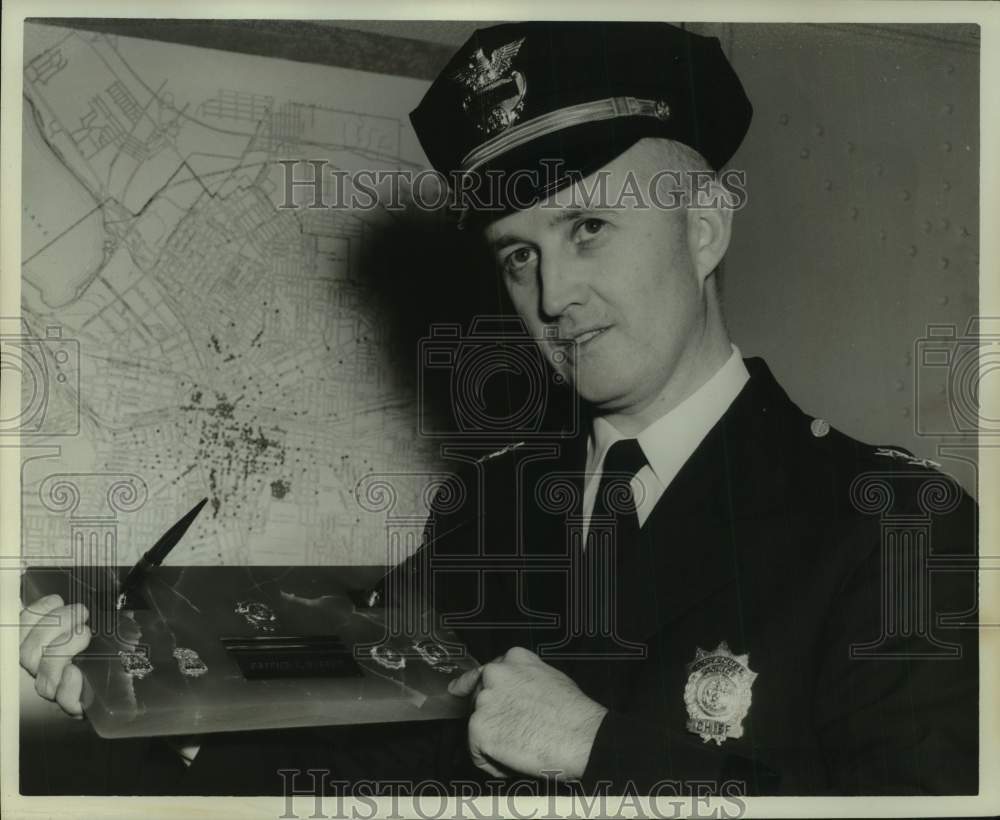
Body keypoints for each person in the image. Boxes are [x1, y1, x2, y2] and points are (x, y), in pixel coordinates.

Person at [20, 21, 977, 796]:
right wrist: (164, 707)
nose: (552, 296)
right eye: (519, 254)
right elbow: (361, 762)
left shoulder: (887, 530)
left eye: (589, 228)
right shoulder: (484, 515)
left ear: (705, 225)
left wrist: (598, 753)